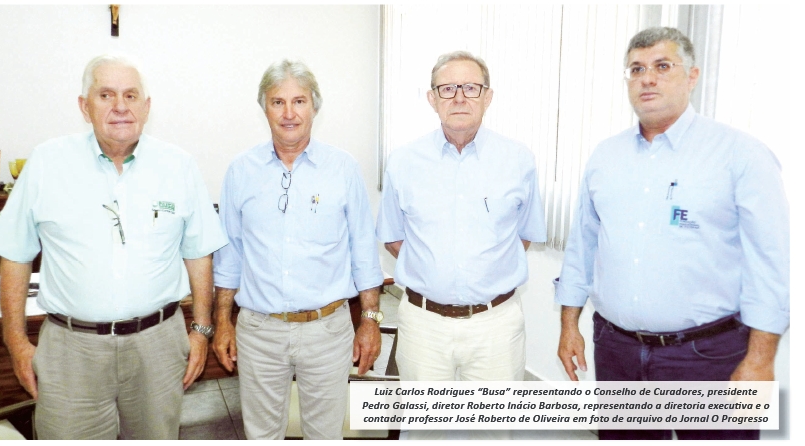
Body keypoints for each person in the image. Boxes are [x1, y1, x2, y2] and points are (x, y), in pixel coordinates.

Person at [555, 27, 789, 440]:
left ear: (692, 76)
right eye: (636, 69)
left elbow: (771, 263)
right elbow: (583, 246)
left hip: (708, 356)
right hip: (618, 351)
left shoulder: (741, 154)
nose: (648, 78)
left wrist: (761, 359)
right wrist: (569, 324)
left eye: (663, 66)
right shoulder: (605, 157)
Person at [0, 54, 228, 439]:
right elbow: (15, 255)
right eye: (106, 95)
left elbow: (199, 253)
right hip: (71, 352)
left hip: (158, 347)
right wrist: (15, 342)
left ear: (146, 107)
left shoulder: (178, 165)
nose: (120, 106)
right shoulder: (47, 163)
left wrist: (201, 330)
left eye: (131, 95)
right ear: (85, 107)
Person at [212, 59, 384, 440]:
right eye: (278, 102)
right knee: (261, 437)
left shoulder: (343, 169)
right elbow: (230, 257)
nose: (288, 113)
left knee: (325, 436)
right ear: (265, 109)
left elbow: (363, 252)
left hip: (328, 330)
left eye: (299, 101)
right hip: (260, 331)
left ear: (314, 108)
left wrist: (370, 320)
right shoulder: (241, 171)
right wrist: (223, 321)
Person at [377, 51, 546, 384]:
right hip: (423, 325)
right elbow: (393, 238)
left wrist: (483, 272)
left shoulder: (518, 160)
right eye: (447, 88)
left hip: (495, 325)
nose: (458, 98)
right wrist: (435, 272)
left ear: (487, 97)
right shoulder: (403, 161)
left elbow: (523, 236)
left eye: (470, 88)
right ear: (432, 99)